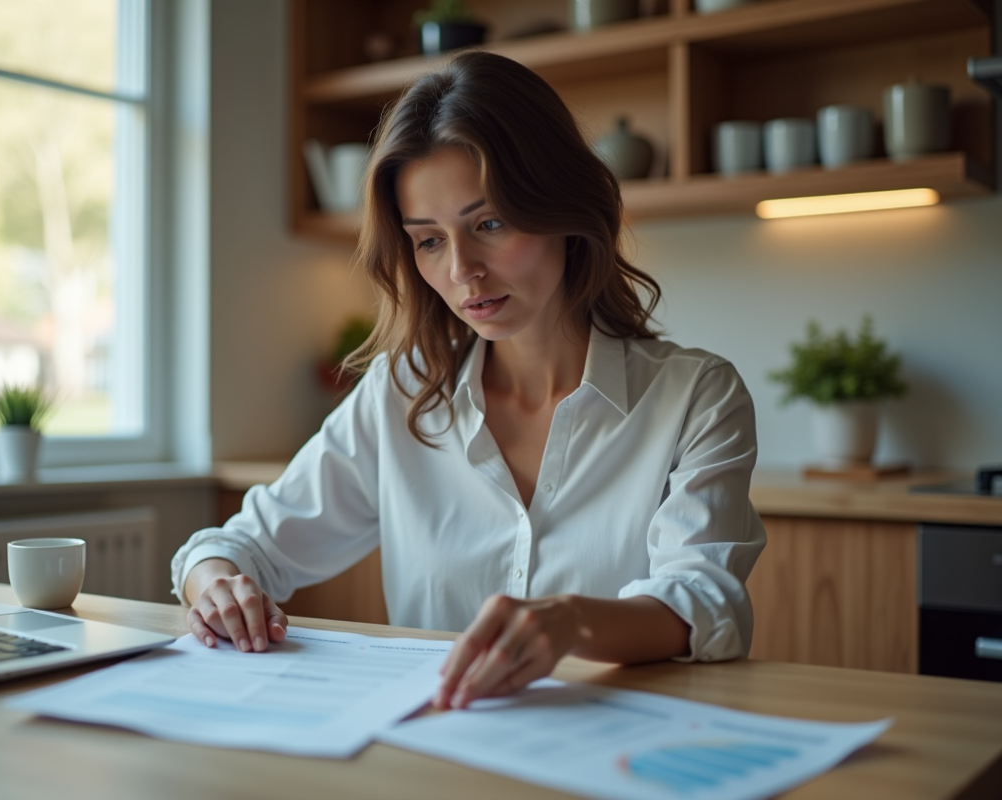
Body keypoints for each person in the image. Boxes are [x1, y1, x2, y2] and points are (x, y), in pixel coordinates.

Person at [171, 51, 766, 711]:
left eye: (490, 224)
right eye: (428, 240)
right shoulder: (401, 394)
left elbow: (703, 600)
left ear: (565, 207)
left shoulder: (696, 397)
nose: (462, 271)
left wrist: (569, 619)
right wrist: (217, 583)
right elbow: (239, 546)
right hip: (435, 751)